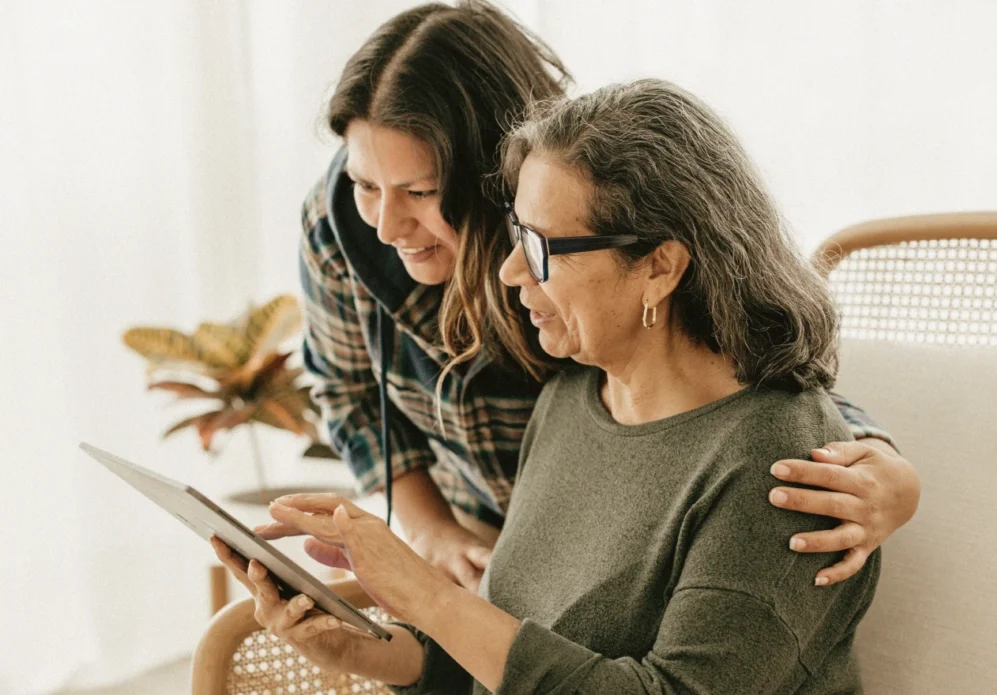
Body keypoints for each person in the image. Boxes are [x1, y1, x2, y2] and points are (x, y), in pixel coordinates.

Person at [214, 78, 883, 692]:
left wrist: (429, 595)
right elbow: (510, 659)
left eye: (539, 249)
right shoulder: (571, 399)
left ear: (659, 266)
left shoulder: (784, 467)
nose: (509, 273)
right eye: (515, 236)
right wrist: (362, 647)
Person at [293, 0, 918, 593]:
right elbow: (347, 390)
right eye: (364, 184)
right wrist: (433, 535)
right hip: (481, 542)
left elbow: (730, 367)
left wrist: (882, 466)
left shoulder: (575, 233)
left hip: (613, 555)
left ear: (501, 178)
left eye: (422, 191)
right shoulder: (338, 226)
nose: (385, 225)